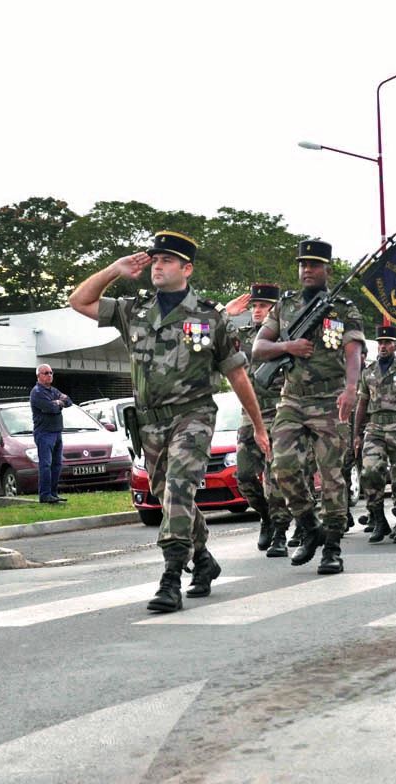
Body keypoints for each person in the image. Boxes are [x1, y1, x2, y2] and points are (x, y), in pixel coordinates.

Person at [70, 230, 269, 612]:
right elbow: (79, 301)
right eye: (155, 260)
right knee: (167, 496)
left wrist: (259, 427)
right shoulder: (135, 310)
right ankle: (204, 560)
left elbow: (238, 375)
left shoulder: (210, 318)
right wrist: (114, 269)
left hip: (192, 416)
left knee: (178, 488)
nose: (157, 266)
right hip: (149, 423)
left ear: (186, 268)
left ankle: (171, 577)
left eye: (166, 260)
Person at [253, 239, 363, 576]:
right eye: (303, 264)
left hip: (329, 400)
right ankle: (308, 524)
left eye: (314, 265)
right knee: (281, 467)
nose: (307, 270)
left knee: (332, 476)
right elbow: (259, 347)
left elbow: (353, 351)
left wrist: (350, 389)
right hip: (292, 398)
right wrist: (289, 346)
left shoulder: (343, 308)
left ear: (328, 269)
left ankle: (332, 547)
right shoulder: (284, 306)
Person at [234, 283, 293, 557]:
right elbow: (208, 336)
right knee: (245, 475)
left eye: (263, 306)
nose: (257, 311)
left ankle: (280, 532)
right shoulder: (241, 335)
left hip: (280, 413)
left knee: (275, 477)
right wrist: (226, 313)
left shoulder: (286, 338)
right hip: (250, 414)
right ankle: (266, 516)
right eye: (254, 306)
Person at [355, 325, 396, 543]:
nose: (383, 346)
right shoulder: (369, 371)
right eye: (380, 342)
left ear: (394, 345)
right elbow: (362, 403)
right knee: (370, 473)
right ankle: (378, 518)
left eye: (387, 343)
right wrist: (356, 434)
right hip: (374, 428)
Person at [29, 364, 70, 504]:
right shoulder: (37, 392)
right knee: (45, 464)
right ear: (39, 376)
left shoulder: (53, 390)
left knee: (57, 464)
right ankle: (45, 495)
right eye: (46, 373)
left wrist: (57, 402)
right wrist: (58, 403)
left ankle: (53, 493)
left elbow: (68, 401)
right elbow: (49, 408)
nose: (49, 375)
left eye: (51, 372)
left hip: (57, 432)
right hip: (44, 433)